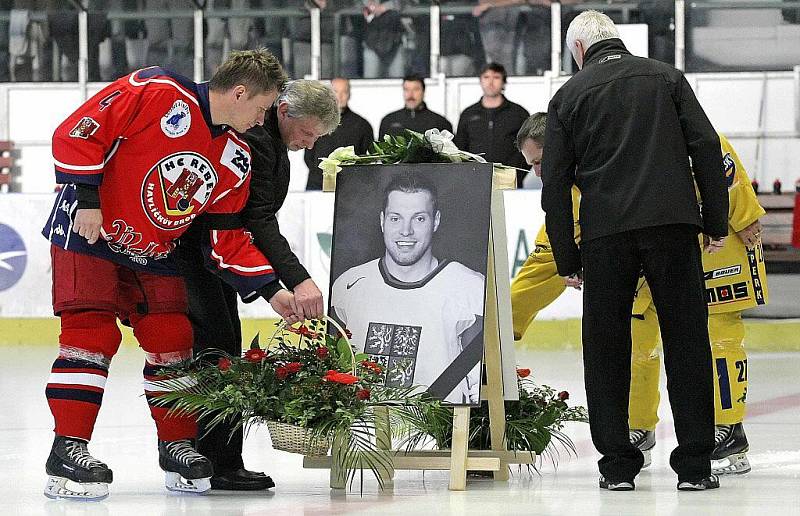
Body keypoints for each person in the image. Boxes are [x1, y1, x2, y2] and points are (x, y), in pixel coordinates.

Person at [40, 49, 292, 500]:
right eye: (261, 107)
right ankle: (68, 448)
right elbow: (76, 134)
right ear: (239, 92)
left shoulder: (236, 158)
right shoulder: (157, 91)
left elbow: (225, 240)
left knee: (174, 338)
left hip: (153, 250)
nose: (262, 119)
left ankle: (175, 445)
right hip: (88, 234)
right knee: (90, 338)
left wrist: (273, 290)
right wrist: (89, 200)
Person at [511, 115, 768, 476]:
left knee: (717, 338)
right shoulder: (568, 185)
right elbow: (548, 254)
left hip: (716, 241)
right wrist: (506, 323)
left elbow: (713, 151)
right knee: (634, 344)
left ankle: (726, 428)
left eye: (538, 162)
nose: (536, 172)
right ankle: (638, 430)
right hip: (645, 258)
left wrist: (742, 215)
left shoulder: (624, 139)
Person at [541, 11, 729, 492]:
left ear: (579, 50)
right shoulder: (666, 76)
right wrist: (714, 220)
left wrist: (567, 257)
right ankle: (694, 468)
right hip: (672, 226)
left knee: (606, 349)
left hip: (606, 235)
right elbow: (706, 146)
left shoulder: (569, 96)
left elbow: (556, 185)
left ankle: (619, 467)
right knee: (687, 343)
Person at [175, 79, 339, 490]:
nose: (309, 143)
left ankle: (211, 458)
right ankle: (213, 461)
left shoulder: (269, 142)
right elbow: (258, 221)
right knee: (217, 352)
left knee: (220, 349)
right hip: (203, 256)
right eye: (307, 133)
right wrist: (294, 281)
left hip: (216, 257)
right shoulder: (258, 141)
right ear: (284, 112)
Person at [330, 171, 484, 404]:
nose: (406, 231)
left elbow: (479, 387)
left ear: (436, 221)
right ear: (382, 220)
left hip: (437, 432)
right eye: (395, 218)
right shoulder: (348, 284)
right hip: (364, 432)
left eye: (419, 218)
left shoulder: (470, 287)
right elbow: (332, 371)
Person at [453, 62, 529, 186]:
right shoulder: (468, 114)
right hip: (474, 182)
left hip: (510, 182)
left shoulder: (518, 114)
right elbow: (460, 150)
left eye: (496, 77)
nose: (491, 82)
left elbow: (528, 147)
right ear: (480, 80)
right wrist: (467, 175)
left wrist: (515, 174)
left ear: (504, 82)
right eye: (486, 77)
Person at [304, 77, 374, 190]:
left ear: (349, 94)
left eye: (344, 92)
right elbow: (308, 155)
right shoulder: (315, 121)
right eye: (336, 91)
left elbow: (368, 159)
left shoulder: (362, 125)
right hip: (318, 184)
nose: (340, 96)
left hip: (351, 187)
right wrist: (323, 173)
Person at [378, 74, 453, 138]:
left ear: (423, 92)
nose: (410, 94)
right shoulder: (389, 121)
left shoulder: (440, 123)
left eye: (416, 89)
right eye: (406, 89)